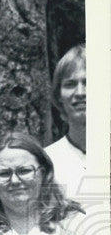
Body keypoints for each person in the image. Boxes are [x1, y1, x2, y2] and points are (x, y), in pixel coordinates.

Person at [45, 44, 86, 200]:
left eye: (87, 83)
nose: (80, 93)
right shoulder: (47, 162)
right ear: (59, 97)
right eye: (70, 84)